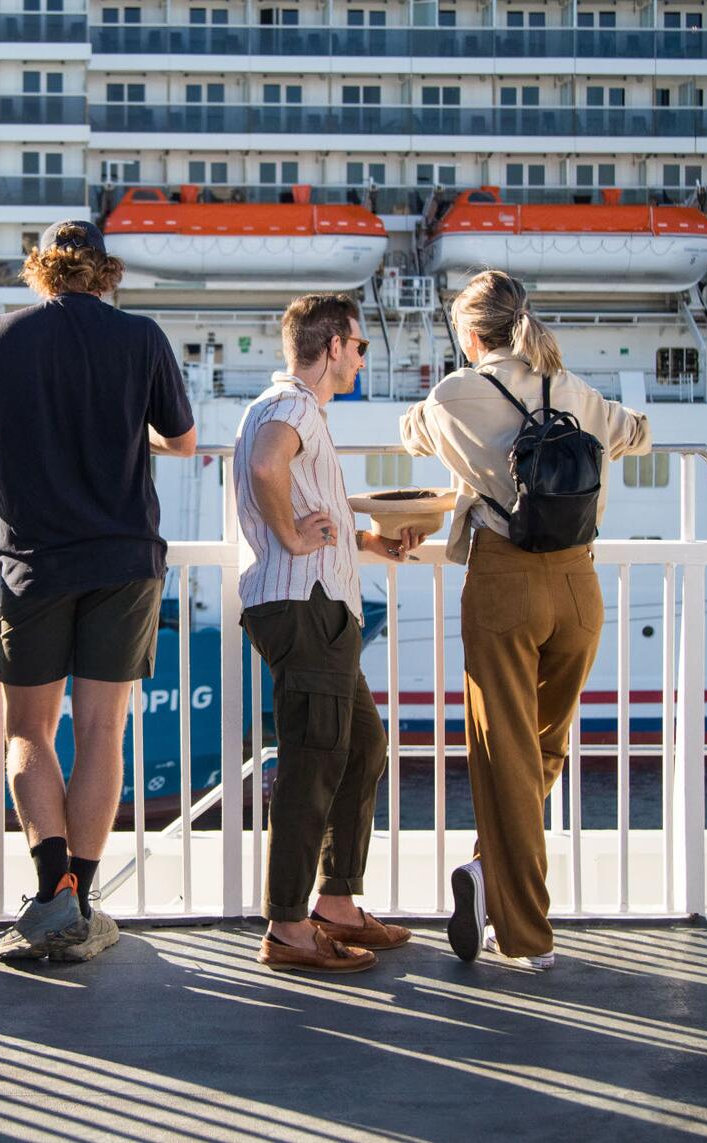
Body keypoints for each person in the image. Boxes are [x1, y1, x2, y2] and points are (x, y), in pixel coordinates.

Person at [0, 219, 196, 963]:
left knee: (28, 732)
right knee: (103, 732)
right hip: (124, 560)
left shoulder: (1, 334)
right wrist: (121, 433)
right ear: (104, 272)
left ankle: (54, 894)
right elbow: (180, 442)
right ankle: (82, 901)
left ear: (41, 271)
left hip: (35, 561)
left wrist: (17, 431)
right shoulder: (141, 336)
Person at [401, 269, 650, 971]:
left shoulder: (455, 392)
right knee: (545, 746)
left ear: (471, 335)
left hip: (505, 579)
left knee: (501, 751)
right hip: (578, 584)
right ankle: (487, 875)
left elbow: (415, 431)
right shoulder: (572, 389)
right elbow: (635, 434)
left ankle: (527, 936)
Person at [235, 294, 420, 973]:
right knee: (313, 759)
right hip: (304, 606)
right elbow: (265, 466)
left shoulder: (288, 407)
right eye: (360, 345)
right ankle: (287, 925)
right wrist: (288, 532)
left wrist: (372, 541)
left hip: (321, 607)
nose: (363, 357)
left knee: (363, 743)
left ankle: (336, 902)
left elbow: (312, 503)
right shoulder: (293, 408)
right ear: (333, 345)